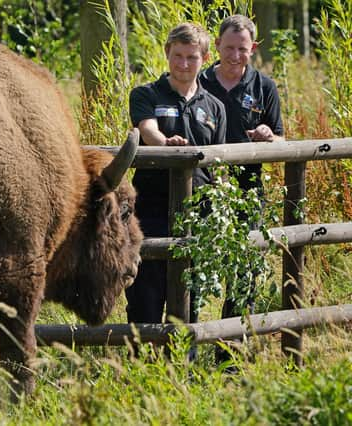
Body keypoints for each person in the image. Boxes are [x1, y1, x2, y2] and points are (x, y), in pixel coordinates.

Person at [125, 23, 226, 334]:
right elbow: (147, 129)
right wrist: (166, 146)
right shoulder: (146, 94)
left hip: (198, 214)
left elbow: (218, 161)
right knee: (146, 296)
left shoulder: (215, 107)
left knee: (189, 297)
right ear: (167, 53)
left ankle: (186, 367)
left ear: (205, 58)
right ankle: (144, 367)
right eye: (177, 56)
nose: (183, 64)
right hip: (151, 210)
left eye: (191, 57)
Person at [199, 14, 284, 363]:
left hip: (248, 192)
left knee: (245, 271)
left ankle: (228, 353)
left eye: (243, 49)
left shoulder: (264, 87)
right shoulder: (199, 81)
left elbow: (282, 139)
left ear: (254, 49)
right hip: (202, 189)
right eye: (229, 48)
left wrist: (270, 137)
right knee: (191, 264)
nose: (235, 56)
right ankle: (181, 348)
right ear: (216, 46)